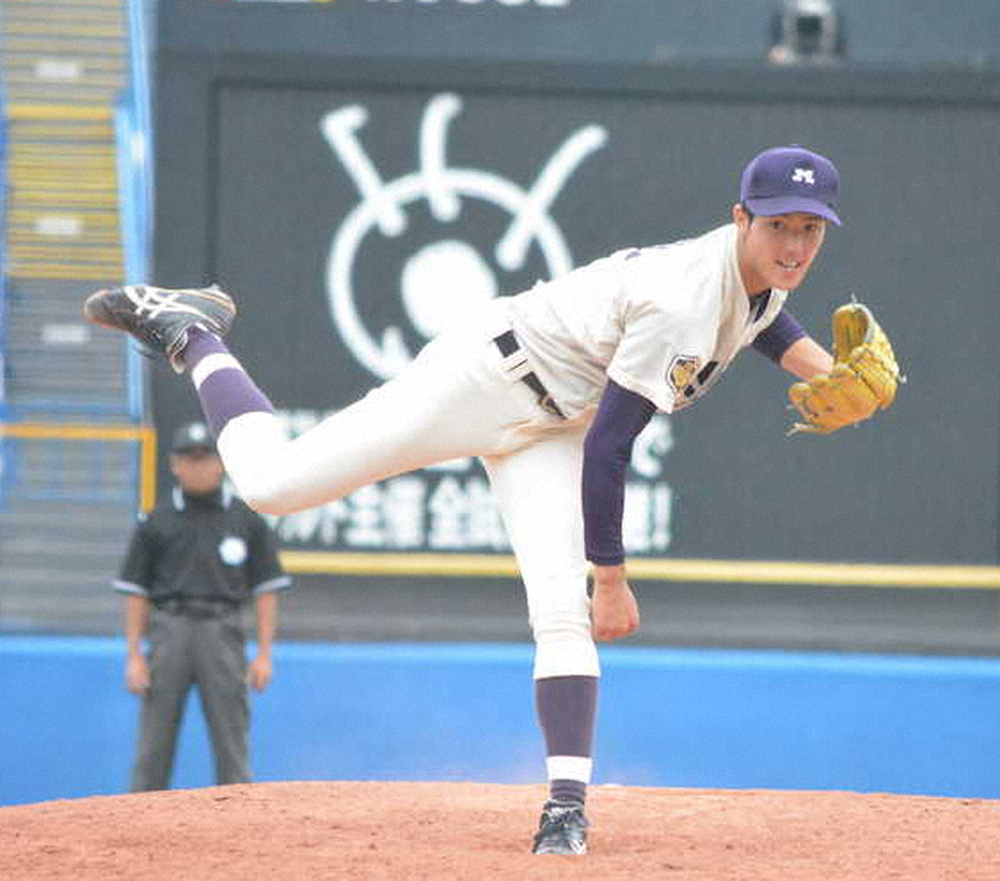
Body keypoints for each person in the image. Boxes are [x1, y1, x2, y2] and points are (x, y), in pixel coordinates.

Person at [85, 145, 896, 852]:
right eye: (779, 225)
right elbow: (611, 448)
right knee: (271, 485)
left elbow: (764, 320)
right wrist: (612, 577)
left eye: (810, 228)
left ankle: (566, 810)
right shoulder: (682, 299)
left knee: (560, 612)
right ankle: (193, 334)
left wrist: (829, 372)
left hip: (553, 424)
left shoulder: (752, 277)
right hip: (486, 376)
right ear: (741, 218)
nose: (795, 245)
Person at [114, 420, 292, 792]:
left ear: (221, 463)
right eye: (189, 458)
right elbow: (136, 591)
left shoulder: (246, 519)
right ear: (174, 464)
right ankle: (143, 813)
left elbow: (266, 590)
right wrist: (134, 655)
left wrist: (264, 654)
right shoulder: (156, 521)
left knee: (231, 735)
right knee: (154, 740)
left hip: (222, 631)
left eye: (205, 457)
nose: (198, 465)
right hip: (170, 630)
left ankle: (237, 815)